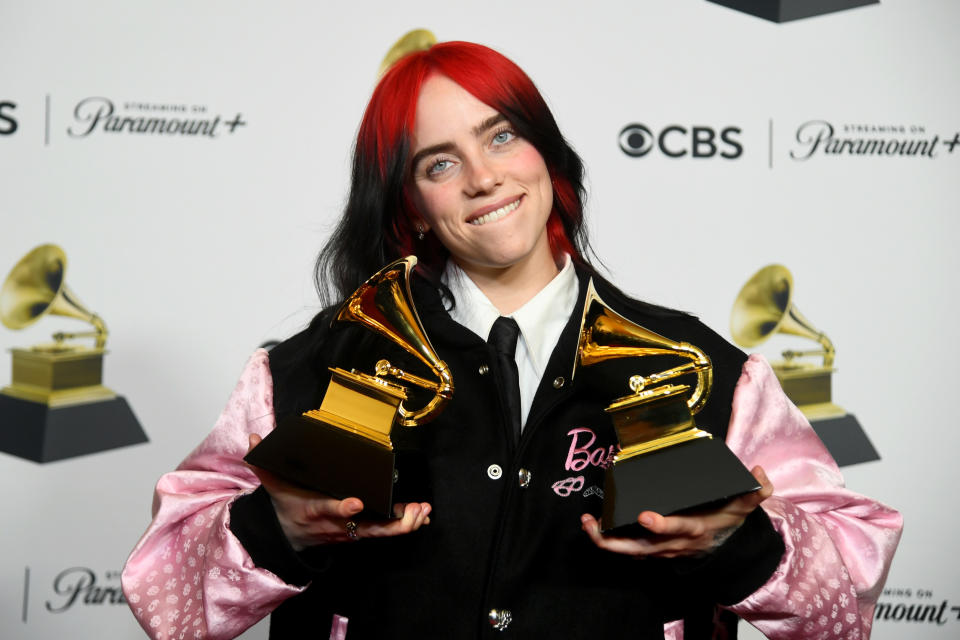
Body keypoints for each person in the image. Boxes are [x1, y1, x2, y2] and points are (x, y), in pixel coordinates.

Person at [121, 40, 902, 640]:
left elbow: (850, 598)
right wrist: (277, 528)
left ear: (547, 155)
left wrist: (743, 543)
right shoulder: (308, 371)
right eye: (439, 162)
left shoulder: (700, 370)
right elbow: (168, 601)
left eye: (500, 138)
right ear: (412, 205)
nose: (482, 178)